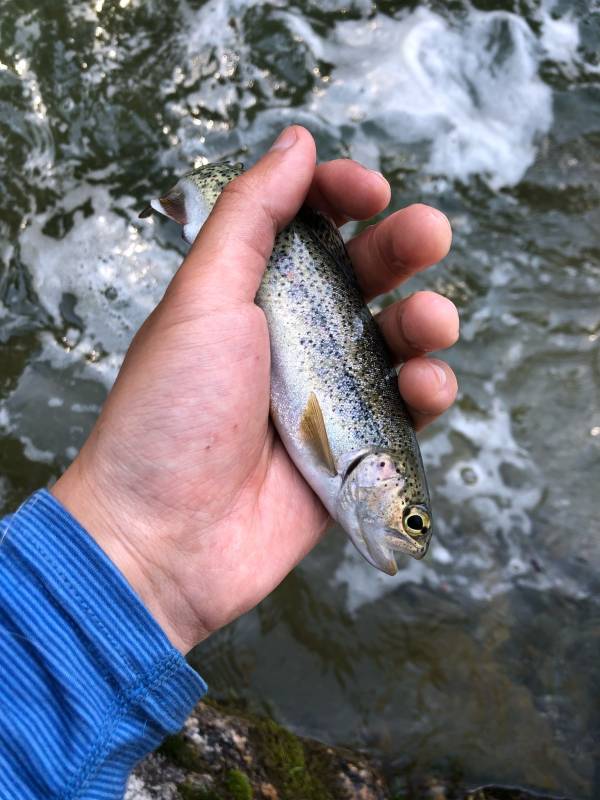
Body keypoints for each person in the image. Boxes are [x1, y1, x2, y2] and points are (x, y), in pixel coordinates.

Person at [0, 127, 458, 799]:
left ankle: (198, 192)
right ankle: (207, 191)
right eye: (409, 520)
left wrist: (138, 559)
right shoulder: (348, 460)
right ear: (387, 479)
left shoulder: (350, 469)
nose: (404, 535)